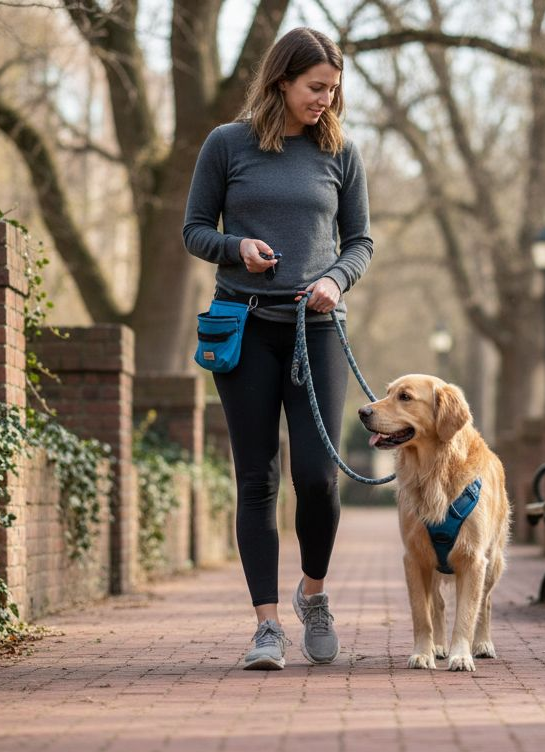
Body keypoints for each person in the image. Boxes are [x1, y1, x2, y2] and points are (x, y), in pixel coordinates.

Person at [182, 27, 373, 671]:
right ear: (281, 80)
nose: (326, 98)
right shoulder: (226, 144)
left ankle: (312, 594)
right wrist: (237, 248)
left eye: (334, 89)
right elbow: (194, 230)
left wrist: (333, 279)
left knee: (318, 477)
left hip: (315, 328)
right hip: (244, 323)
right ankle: (266, 624)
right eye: (316, 87)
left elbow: (360, 242)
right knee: (256, 477)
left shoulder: (340, 153)